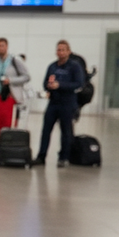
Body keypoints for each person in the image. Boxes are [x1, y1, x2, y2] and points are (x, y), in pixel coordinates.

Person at [34, 40, 84, 168]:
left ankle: (64, 157)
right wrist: (48, 86)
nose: (60, 52)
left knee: (66, 131)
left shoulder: (74, 66)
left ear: (68, 51)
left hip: (67, 103)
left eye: (63, 49)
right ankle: (41, 156)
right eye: (58, 49)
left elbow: (78, 84)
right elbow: (45, 82)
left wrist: (60, 85)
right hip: (53, 103)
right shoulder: (52, 66)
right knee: (46, 130)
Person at [0, 38, 31, 140]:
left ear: (7, 47)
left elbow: (26, 76)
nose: (0, 48)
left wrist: (11, 80)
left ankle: (7, 144)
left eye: (2, 46)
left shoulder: (15, 61)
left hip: (9, 97)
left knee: (8, 122)